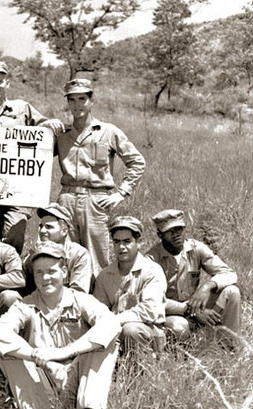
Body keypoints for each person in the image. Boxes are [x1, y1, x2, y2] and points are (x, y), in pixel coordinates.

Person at [0, 242, 120, 409]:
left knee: (106, 344)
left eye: (52, 271)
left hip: (79, 380)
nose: (45, 278)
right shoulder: (26, 305)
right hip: (43, 383)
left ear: (65, 272)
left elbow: (111, 324)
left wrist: (61, 353)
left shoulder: (80, 299)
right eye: (39, 272)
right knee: (8, 353)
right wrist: (36, 356)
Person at [0, 60, 64, 255]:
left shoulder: (22, 109)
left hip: (18, 190)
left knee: (12, 237)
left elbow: (45, 133)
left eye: (0, 81)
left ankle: (10, 278)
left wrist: (51, 124)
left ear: (7, 83)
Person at [56, 79, 146, 276]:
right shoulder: (61, 134)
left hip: (95, 200)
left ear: (91, 101)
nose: (77, 105)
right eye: (72, 100)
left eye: (82, 99)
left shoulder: (108, 131)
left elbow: (137, 162)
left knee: (97, 260)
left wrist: (121, 193)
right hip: (66, 200)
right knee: (64, 257)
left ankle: (99, 303)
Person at [146, 209, 241, 344]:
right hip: (172, 313)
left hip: (194, 305)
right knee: (178, 327)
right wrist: (190, 311)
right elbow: (152, 300)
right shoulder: (151, 259)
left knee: (232, 292)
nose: (176, 234)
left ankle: (228, 345)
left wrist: (207, 286)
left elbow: (229, 273)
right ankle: (183, 355)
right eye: (170, 231)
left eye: (179, 229)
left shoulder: (196, 248)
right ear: (159, 235)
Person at [93, 216, 166, 352]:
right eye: (116, 242)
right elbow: (98, 310)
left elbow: (149, 311)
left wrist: (114, 320)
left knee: (131, 330)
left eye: (127, 241)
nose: (121, 247)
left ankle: (144, 370)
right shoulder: (104, 275)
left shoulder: (152, 271)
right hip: (114, 331)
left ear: (139, 243)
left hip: (148, 330)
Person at [23, 202, 92, 295]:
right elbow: (26, 288)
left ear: (64, 231)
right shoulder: (33, 254)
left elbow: (79, 293)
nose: (42, 231)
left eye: (49, 227)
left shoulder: (79, 255)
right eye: (41, 226)